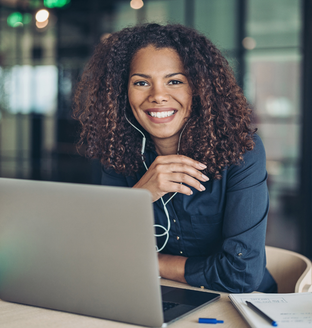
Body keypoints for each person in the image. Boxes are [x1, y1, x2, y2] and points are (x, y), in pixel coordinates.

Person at [73, 23, 277, 293]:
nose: (157, 96)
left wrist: (150, 262)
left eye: (175, 81)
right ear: (123, 92)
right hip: (152, 297)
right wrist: (140, 197)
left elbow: (241, 274)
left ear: (199, 89)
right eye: (141, 82)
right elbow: (102, 252)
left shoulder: (242, 151)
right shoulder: (118, 152)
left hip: (238, 303)